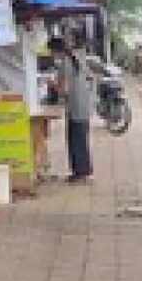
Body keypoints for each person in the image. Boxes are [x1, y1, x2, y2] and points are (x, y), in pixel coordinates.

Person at [50, 34, 93, 182]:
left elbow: (63, 90)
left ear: (56, 51)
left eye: (52, 52)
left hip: (75, 107)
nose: (52, 56)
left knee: (75, 141)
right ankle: (84, 171)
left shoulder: (64, 64)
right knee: (82, 140)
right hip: (84, 104)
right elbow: (89, 77)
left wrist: (52, 85)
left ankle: (79, 174)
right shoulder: (77, 58)